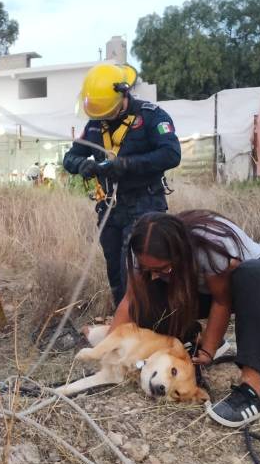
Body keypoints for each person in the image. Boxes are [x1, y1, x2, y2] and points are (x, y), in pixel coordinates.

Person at [107, 210, 260, 428]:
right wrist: (108, 348)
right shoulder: (144, 253)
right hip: (203, 291)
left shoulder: (210, 244)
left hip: (257, 284)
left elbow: (223, 301)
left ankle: (252, 390)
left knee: (249, 275)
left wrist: (208, 351)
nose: (154, 274)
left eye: (162, 268)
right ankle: (190, 343)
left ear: (180, 253)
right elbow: (129, 300)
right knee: (146, 299)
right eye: (149, 269)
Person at [63, 64, 181, 306]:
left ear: (124, 95)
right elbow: (70, 157)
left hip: (145, 204)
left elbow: (171, 155)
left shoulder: (151, 116)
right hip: (110, 208)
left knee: (136, 271)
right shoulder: (95, 122)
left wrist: (125, 165)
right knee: (116, 272)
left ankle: (148, 325)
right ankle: (124, 322)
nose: (104, 116)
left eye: (109, 111)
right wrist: (81, 165)